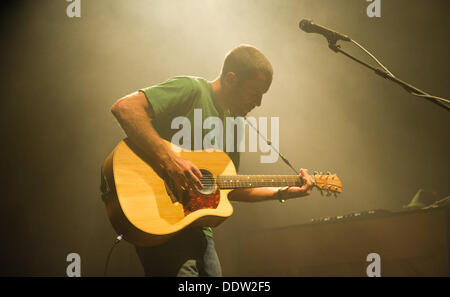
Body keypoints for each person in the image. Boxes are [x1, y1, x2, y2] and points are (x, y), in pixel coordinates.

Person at [110, 44, 315, 276]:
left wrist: (283, 192)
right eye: (254, 92)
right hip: (159, 214)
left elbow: (230, 187)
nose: (258, 103)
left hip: (198, 227)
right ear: (230, 79)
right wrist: (170, 160)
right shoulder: (192, 89)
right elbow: (125, 108)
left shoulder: (235, 126)